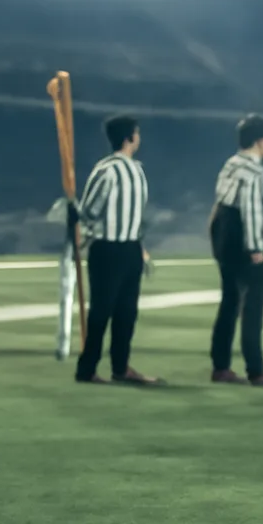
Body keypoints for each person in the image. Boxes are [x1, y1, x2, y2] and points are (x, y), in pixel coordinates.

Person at [73, 114, 160, 386]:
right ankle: (87, 370)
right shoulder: (108, 170)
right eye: (137, 133)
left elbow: (94, 211)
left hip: (129, 248)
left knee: (126, 312)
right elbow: (88, 212)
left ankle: (121, 367)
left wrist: (141, 249)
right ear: (129, 137)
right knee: (102, 311)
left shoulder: (134, 169)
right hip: (108, 248)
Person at [209, 113, 263, 386]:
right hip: (242, 237)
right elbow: (251, 212)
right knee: (253, 308)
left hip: (222, 235)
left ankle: (220, 367)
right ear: (260, 140)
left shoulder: (230, 164)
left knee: (229, 303)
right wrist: (256, 248)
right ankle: (256, 370)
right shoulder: (254, 171)